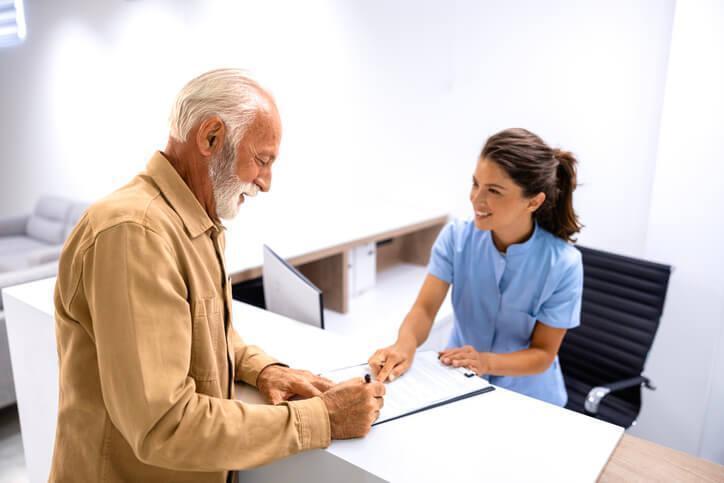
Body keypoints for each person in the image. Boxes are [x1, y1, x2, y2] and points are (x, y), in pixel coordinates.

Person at [50, 69, 384, 483]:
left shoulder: (189, 222)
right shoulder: (135, 233)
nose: (266, 182)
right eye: (262, 160)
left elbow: (203, 334)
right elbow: (163, 425)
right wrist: (322, 418)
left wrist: (262, 369)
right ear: (210, 138)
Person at [368, 128, 583, 407]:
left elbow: (543, 353)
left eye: (494, 190)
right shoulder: (456, 238)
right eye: (475, 184)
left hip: (530, 399)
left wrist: (485, 361)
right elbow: (424, 309)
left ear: (534, 201)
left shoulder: (564, 264)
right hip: (460, 381)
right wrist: (404, 345)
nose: (477, 199)